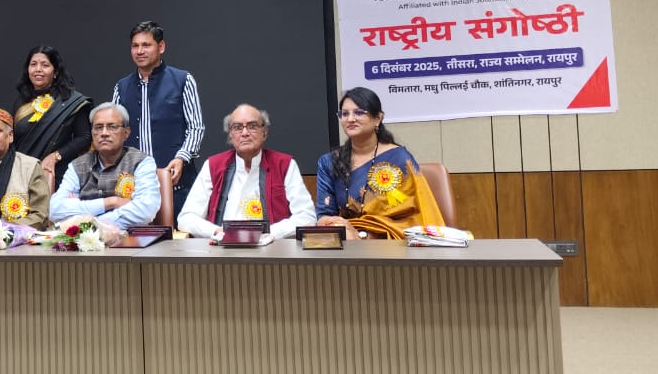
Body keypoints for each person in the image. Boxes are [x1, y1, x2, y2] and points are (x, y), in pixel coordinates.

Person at [315, 87, 446, 239]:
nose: (350, 119)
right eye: (345, 114)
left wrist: (364, 235)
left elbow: (416, 216)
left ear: (378, 118)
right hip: (347, 240)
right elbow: (324, 215)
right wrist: (334, 224)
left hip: (392, 241)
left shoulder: (399, 159)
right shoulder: (329, 162)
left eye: (359, 113)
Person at [178, 104, 316, 240]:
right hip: (222, 248)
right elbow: (186, 218)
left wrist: (268, 234)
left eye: (252, 126)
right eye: (237, 127)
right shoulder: (213, 165)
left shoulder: (284, 164)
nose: (245, 133)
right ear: (230, 135)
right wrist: (217, 232)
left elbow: (307, 216)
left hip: (272, 247)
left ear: (264, 132)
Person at [112, 20, 204, 217]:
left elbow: (196, 128)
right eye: (135, 46)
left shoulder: (182, 80)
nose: (139, 51)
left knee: (180, 235)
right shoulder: (121, 87)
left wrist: (181, 158)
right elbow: (114, 132)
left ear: (161, 47)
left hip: (177, 183)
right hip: (134, 188)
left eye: (146, 45)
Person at [49, 103, 159, 231]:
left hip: (129, 240)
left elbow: (146, 210)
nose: (104, 133)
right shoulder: (77, 166)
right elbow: (55, 210)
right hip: (82, 240)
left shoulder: (142, 162)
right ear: (92, 133)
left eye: (112, 127)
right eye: (98, 127)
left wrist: (89, 222)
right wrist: (111, 202)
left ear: (126, 133)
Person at [12, 46, 92, 184]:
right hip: (22, 173)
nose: (38, 69)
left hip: (55, 173)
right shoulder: (21, 101)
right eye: (33, 64)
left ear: (55, 72)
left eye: (45, 65)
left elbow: (84, 137)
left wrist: (56, 156)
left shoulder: (70, 101)